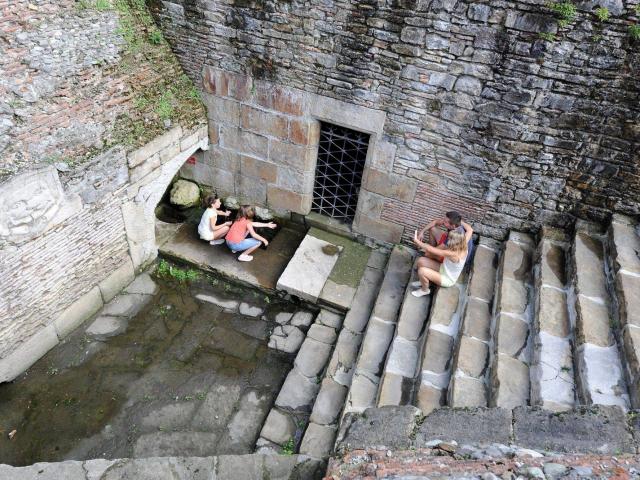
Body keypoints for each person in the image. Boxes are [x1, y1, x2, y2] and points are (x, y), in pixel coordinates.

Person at [410, 220, 473, 297]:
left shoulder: (453, 254)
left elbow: (432, 250)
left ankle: (425, 290)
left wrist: (417, 242)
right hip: (443, 268)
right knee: (421, 261)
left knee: (422, 271)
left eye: (449, 239)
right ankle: (425, 281)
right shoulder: (463, 241)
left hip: (447, 278)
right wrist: (458, 220)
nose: (447, 239)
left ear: (454, 243)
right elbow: (470, 230)